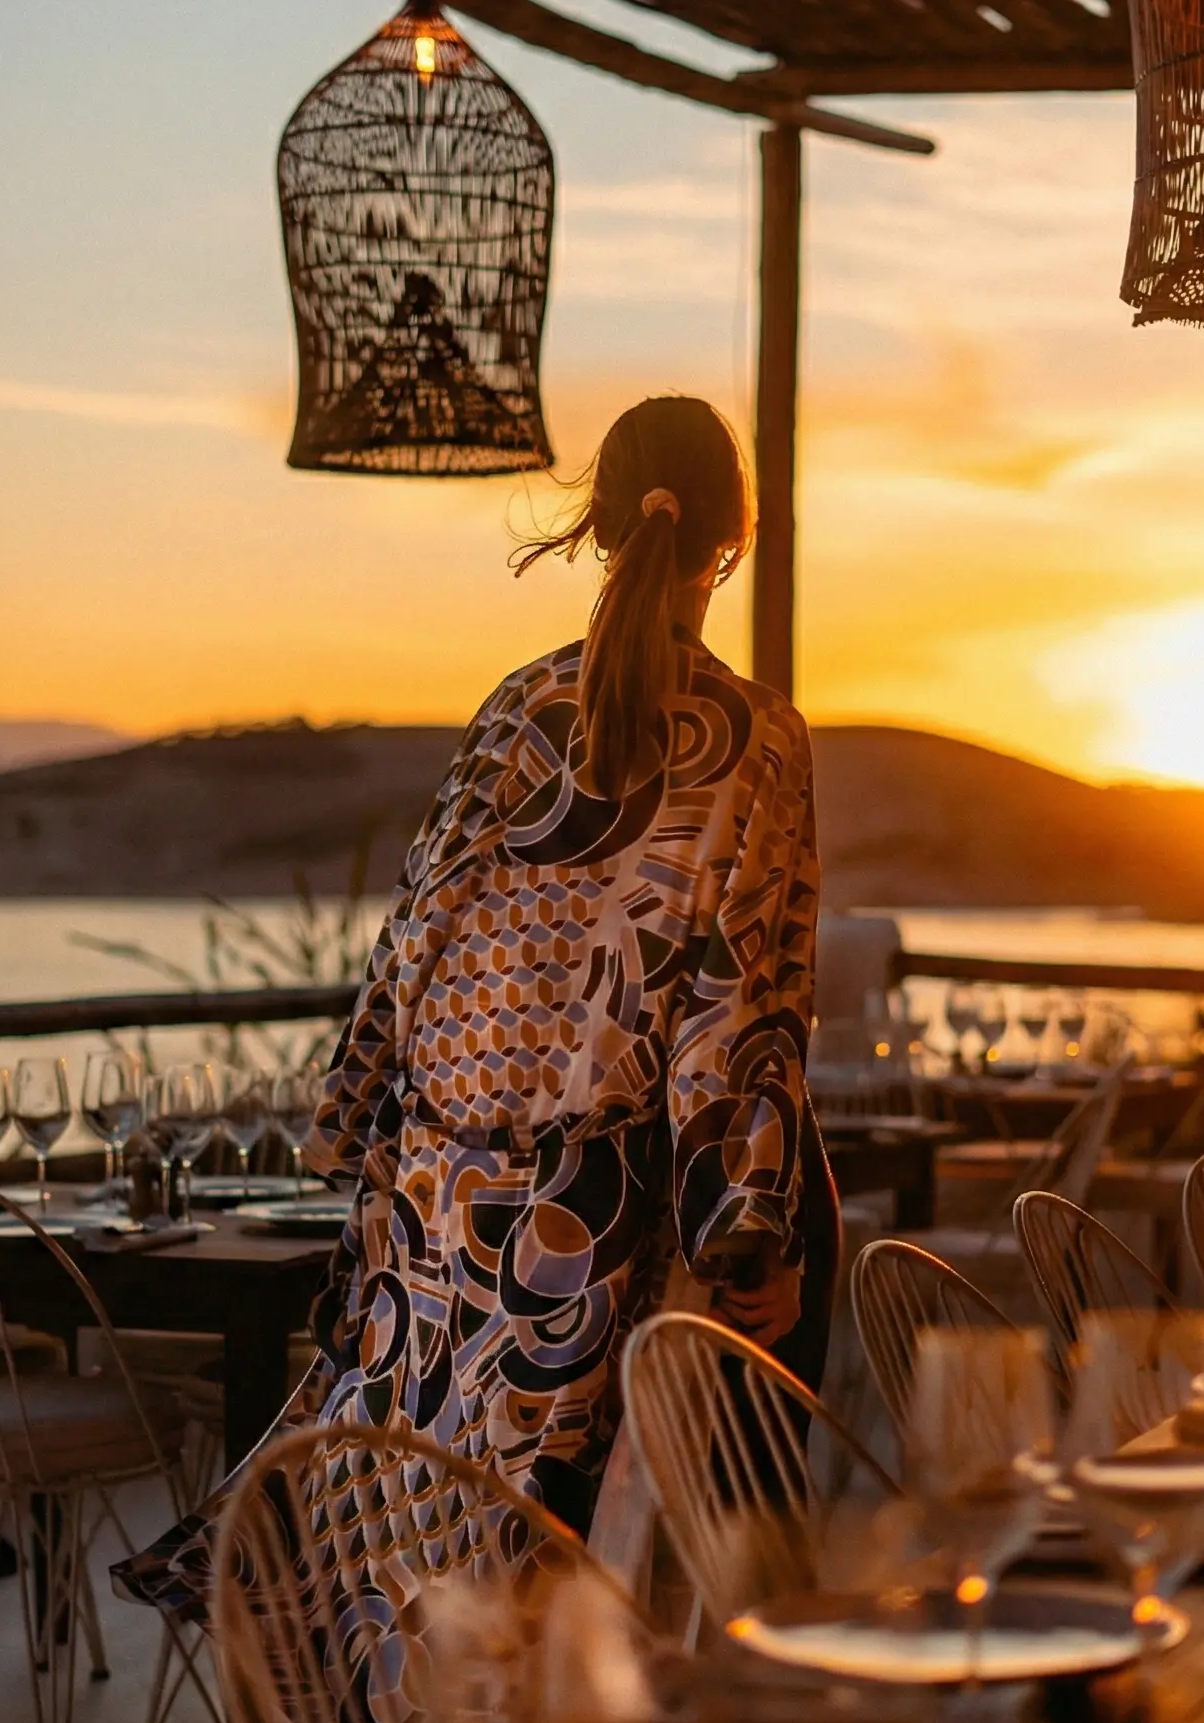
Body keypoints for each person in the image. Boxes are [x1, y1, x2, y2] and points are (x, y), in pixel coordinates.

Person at [119, 392, 822, 1617]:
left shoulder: (514, 707)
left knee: (411, 1550)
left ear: (601, 524)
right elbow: (738, 1012)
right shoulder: (757, 740)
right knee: (555, 1576)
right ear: (737, 535)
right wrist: (745, 1232)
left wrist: (349, 1131)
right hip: (585, 1232)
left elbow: (413, 936)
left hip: (438, 1204)